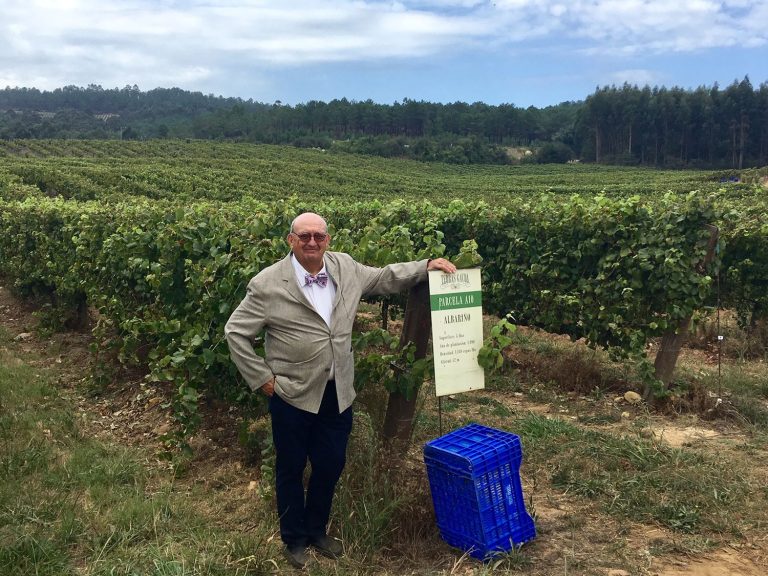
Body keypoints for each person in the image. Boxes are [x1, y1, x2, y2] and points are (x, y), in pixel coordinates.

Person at [225, 212, 456, 568]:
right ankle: (293, 539)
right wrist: (263, 379)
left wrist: (425, 266)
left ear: (328, 240)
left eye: (319, 236)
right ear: (291, 240)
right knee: (290, 466)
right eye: (304, 236)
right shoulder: (268, 283)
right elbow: (236, 332)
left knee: (330, 463)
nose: (312, 242)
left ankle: (317, 529)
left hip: (337, 391)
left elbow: (384, 277)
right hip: (292, 394)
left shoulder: (345, 267)